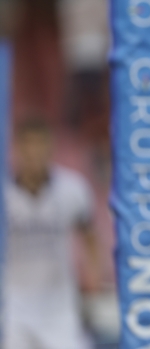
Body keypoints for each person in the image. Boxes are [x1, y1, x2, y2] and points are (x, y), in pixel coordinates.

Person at [4, 119, 100, 349]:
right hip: (12, 307)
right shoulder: (4, 194)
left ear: (50, 149)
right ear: (17, 149)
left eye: (40, 146)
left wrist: (93, 276)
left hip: (59, 309)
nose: (33, 153)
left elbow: (89, 235)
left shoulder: (72, 189)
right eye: (28, 146)